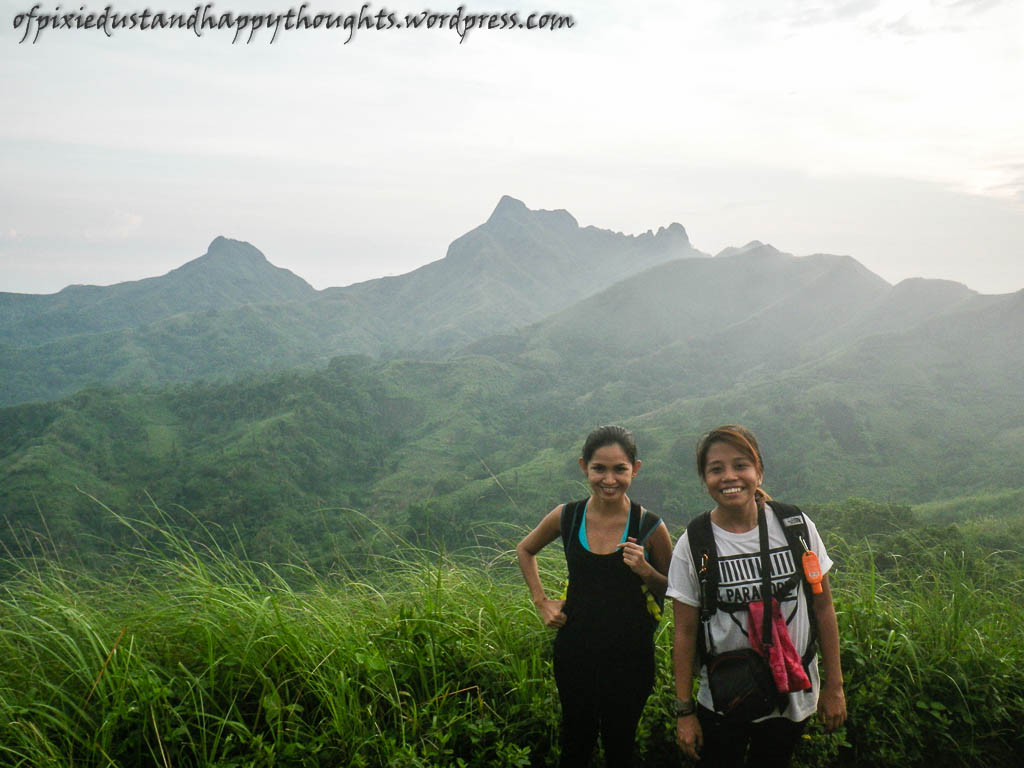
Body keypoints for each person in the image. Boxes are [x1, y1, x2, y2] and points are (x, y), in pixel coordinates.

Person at [667, 425, 846, 767]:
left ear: (758, 471)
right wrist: (685, 712)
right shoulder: (695, 542)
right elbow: (684, 632)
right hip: (723, 698)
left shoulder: (795, 527)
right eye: (716, 469)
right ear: (704, 480)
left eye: (740, 465)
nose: (729, 477)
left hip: (792, 695)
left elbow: (823, 607)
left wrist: (835, 686)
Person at [516, 425, 673, 767]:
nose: (609, 479)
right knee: (576, 741)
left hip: (631, 657)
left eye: (620, 469)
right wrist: (541, 601)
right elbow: (525, 550)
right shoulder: (568, 517)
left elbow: (675, 589)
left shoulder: (649, 526)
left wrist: (645, 570)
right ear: (583, 466)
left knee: (620, 745)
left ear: (635, 469)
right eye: (599, 468)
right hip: (575, 652)